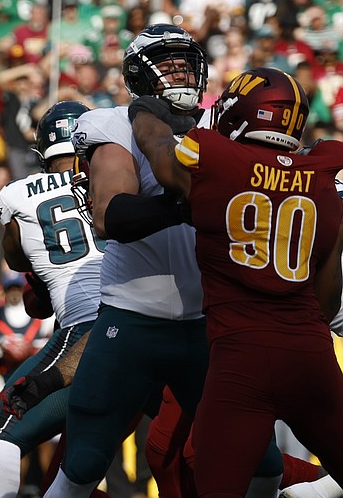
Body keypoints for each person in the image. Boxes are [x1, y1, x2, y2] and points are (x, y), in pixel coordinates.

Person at [40, 24, 281, 497]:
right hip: (131, 321)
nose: (179, 70)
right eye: (165, 62)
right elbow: (110, 217)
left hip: (206, 323)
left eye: (185, 62)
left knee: (262, 461)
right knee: (84, 465)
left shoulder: (224, 124)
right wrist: (189, 204)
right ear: (138, 75)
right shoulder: (110, 123)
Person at [129, 67, 343, 497]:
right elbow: (327, 301)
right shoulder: (322, 176)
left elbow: (159, 151)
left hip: (238, 360)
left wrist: (143, 112)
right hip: (310, 357)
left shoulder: (215, 159)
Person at [0, 100, 102, 498]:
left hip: (84, 328)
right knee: (169, 448)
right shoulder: (120, 177)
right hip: (142, 326)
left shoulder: (17, 193)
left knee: (0, 433)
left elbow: (18, 261)